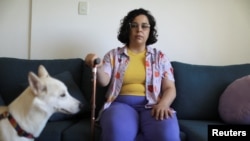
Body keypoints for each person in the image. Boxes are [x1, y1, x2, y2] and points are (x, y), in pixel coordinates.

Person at [85, 8, 180, 141]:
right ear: (127, 29)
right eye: (134, 25)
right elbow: (103, 81)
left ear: (150, 31)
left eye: (144, 26)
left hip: (154, 106)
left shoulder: (160, 57)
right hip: (121, 106)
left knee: (168, 135)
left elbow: (170, 88)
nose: (139, 29)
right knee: (116, 132)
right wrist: (98, 66)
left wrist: (164, 104)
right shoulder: (113, 55)